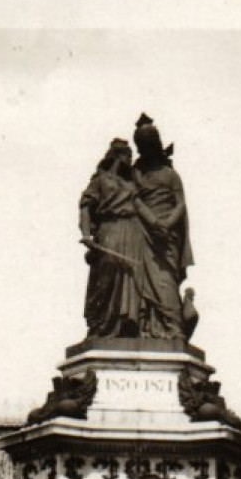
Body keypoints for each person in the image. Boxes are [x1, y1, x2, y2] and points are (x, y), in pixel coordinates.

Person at [78, 138, 151, 339]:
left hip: (133, 230)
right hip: (109, 228)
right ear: (118, 156)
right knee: (106, 275)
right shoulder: (100, 180)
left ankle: (127, 324)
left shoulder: (132, 183)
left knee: (132, 277)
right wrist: (86, 234)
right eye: (128, 155)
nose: (131, 159)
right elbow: (85, 206)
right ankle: (100, 325)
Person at [130, 114, 193, 340]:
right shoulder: (136, 174)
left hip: (167, 236)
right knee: (143, 280)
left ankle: (174, 327)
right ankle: (146, 326)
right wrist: (154, 222)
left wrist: (166, 224)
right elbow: (133, 199)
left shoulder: (171, 175)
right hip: (145, 232)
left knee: (165, 281)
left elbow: (181, 204)